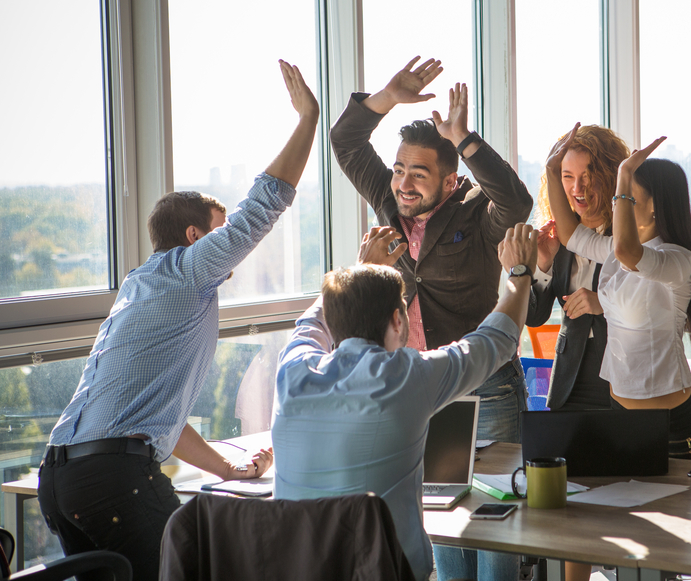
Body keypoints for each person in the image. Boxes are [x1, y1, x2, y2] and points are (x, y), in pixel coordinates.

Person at [38, 59, 319, 580]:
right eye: (218, 234)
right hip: (114, 479)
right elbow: (262, 207)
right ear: (195, 238)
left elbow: (154, 424)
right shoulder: (189, 272)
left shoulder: (139, 287)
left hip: (61, 478)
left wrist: (229, 469)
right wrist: (308, 122)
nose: (227, 249)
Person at [330, 56, 532, 580]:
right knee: (442, 518)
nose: (402, 183)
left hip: (485, 386)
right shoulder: (387, 202)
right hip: (421, 385)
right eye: (399, 170)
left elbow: (516, 203)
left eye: (418, 174)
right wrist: (387, 97)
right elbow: (347, 141)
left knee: (494, 523)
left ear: (449, 181)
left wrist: (466, 139)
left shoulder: (472, 210)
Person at [271, 223, 538, 581]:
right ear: (399, 321)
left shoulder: (292, 369)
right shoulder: (404, 376)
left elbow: (309, 323)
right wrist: (519, 273)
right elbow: (495, 341)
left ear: (333, 325)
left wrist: (357, 271)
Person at [546, 126, 691, 580]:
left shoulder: (674, 258)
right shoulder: (619, 251)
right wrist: (553, 168)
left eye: (627, 196)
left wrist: (624, 172)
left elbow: (626, 251)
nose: (615, 203)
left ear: (652, 204)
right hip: (620, 419)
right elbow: (570, 234)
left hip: (671, 430)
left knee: (664, 554)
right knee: (603, 538)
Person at [528, 126, 630, 410]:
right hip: (569, 380)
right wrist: (542, 265)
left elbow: (650, 302)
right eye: (568, 177)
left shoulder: (629, 236)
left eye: (587, 177)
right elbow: (534, 318)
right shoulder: (555, 236)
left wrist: (603, 303)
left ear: (611, 177)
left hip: (622, 374)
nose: (577, 189)